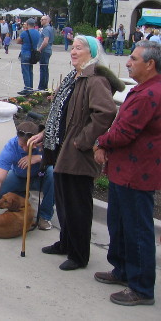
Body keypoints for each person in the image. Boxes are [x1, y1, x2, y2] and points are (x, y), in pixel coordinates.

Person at [28, 35, 122, 271]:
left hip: (77, 151)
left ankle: (79, 255)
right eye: (72, 47)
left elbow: (105, 113)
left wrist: (83, 140)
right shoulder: (75, 76)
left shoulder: (95, 78)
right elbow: (61, 112)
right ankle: (65, 243)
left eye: (79, 48)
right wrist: (44, 132)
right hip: (62, 148)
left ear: (91, 52)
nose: (73, 51)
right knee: (64, 200)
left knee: (78, 204)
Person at [93, 40, 161, 306]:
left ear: (150, 64)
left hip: (137, 173)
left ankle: (141, 288)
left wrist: (101, 142)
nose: (128, 62)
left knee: (137, 230)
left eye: (133, 58)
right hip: (125, 170)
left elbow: (124, 132)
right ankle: (122, 270)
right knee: (120, 224)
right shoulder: (145, 89)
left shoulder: (149, 94)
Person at [0, 121, 54, 230]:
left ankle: (45, 216)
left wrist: (39, 158)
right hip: (20, 177)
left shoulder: (46, 144)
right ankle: (22, 199)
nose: (25, 150)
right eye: (21, 145)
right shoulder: (11, 146)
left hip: (40, 178)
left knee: (53, 173)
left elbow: (62, 160)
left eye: (28, 146)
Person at [17, 18, 40, 95]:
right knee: (30, 71)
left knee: (25, 71)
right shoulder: (37, 33)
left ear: (27, 24)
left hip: (25, 52)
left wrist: (24, 42)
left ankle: (27, 88)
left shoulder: (25, 33)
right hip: (33, 53)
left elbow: (18, 41)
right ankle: (30, 87)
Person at [37, 15, 55, 91]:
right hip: (47, 50)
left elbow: (46, 40)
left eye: (42, 20)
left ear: (47, 20)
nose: (41, 21)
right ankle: (44, 86)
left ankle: (42, 87)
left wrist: (40, 49)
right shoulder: (49, 28)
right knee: (45, 68)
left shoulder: (46, 29)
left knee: (43, 68)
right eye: (41, 20)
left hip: (44, 51)